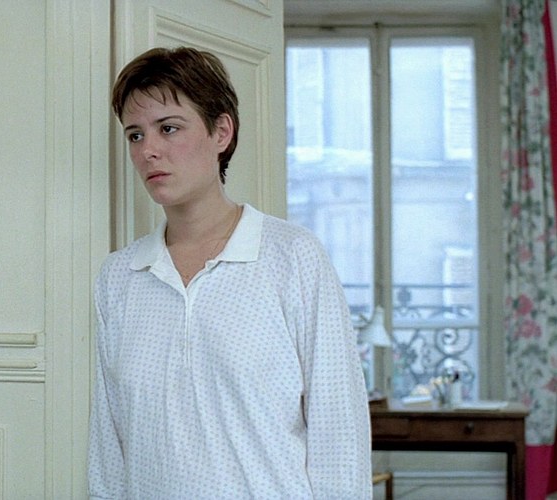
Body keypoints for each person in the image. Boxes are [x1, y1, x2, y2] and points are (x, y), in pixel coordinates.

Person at [88, 46, 371, 499]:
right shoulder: (120, 277)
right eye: (135, 135)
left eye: (168, 128)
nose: (148, 151)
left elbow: (339, 433)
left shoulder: (292, 257)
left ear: (221, 131)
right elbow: (109, 448)